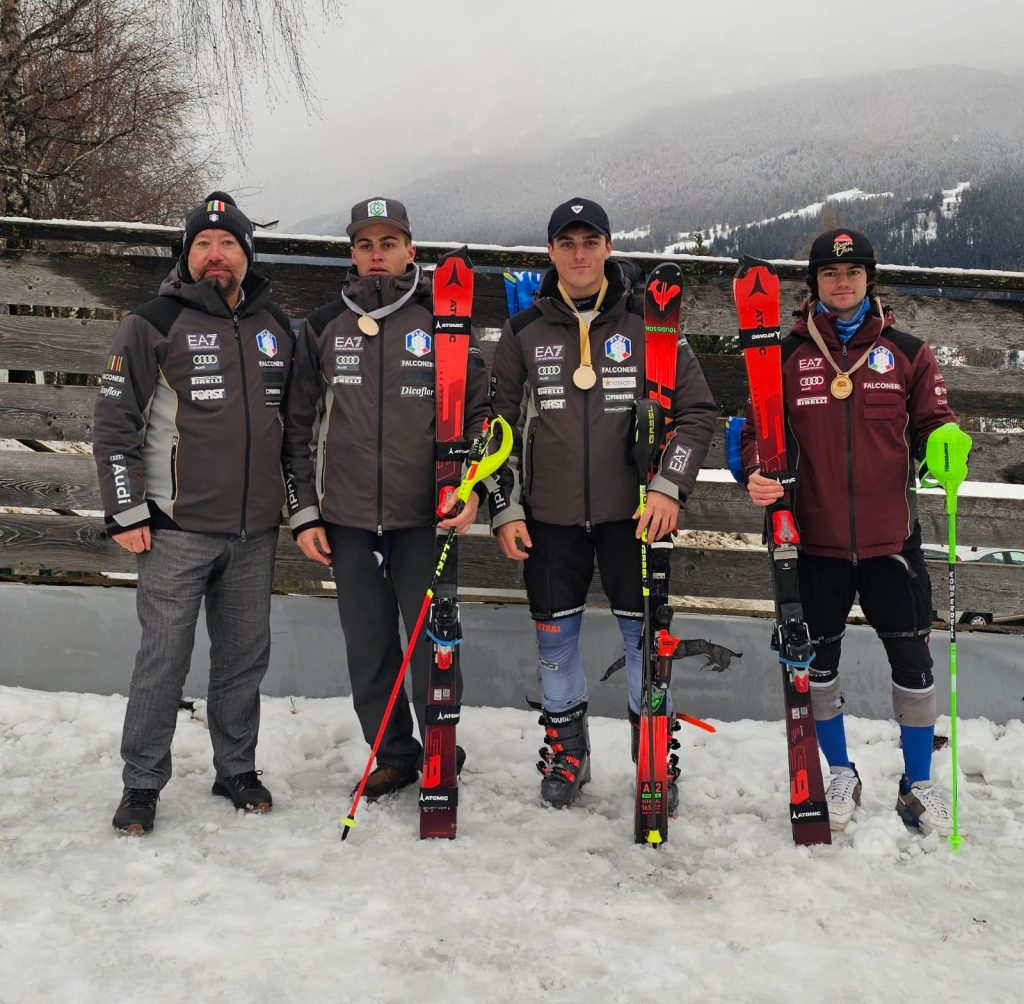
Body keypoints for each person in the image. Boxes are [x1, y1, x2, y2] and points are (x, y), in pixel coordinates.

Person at [488, 197, 717, 809]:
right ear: (551, 253)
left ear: (610, 249)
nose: (580, 253)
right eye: (568, 243)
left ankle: (651, 760)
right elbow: (494, 425)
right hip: (548, 518)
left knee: (645, 643)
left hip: (633, 518)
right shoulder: (522, 332)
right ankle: (569, 751)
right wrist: (504, 509)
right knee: (555, 644)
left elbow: (696, 414)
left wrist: (670, 486)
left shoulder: (652, 325)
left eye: (591, 242)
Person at [742, 227, 958, 837]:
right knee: (818, 665)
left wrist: (944, 442)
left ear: (870, 279)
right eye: (831, 274)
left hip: (893, 540)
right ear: (814, 283)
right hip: (813, 542)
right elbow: (757, 432)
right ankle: (840, 771)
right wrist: (756, 470)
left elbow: (933, 421)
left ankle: (918, 783)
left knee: (913, 664)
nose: (843, 282)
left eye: (854, 272)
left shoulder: (909, 352)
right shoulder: (783, 356)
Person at [94, 192, 294, 834]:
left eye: (228, 243)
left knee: (243, 659)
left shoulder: (277, 328)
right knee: (163, 660)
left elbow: (290, 428)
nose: (216, 254)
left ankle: (236, 768)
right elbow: (114, 424)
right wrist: (127, 512)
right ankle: (142, 782)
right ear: (187, 253)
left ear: (246, 253)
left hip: (254, 530)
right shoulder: (153, 321)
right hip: (173, 531)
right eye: (203, 243)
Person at [281, 197, 490, 800]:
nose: (378, 255)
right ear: (352, 253)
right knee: (369, 646)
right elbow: (297, 428)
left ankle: (441, 746)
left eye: (389, 244)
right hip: (343, 520)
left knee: (432, 645)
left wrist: (470, 489)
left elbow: (478, 416)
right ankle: (394, 752)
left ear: (410, 251)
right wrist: (303, 514)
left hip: (422, 517)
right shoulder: (323, 325)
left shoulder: (442, 321)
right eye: (366, 245)